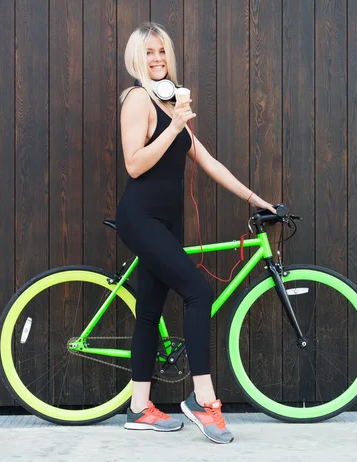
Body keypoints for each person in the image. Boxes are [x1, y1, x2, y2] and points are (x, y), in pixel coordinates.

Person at [115, 22, 276, 444]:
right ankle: (203, 402)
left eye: (162, 52)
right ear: (137, 58)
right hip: (141, 218)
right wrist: (172, 128)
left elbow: (209, 162)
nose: (157, 59)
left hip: (166, 221)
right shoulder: (137, 100)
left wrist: (255, 198)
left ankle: (139, 408)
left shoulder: (173, 107)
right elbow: (134, 164)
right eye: (149, 53)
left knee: (149, 311)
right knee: (199, 292)